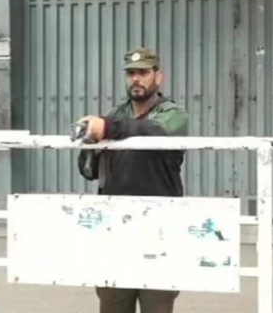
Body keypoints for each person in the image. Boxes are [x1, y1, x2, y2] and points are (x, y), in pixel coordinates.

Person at [76, 47, 189, 313]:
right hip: (115, 229)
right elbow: (89, 171)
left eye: (143, 73)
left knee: (157, 306)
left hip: (159, 229)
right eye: (131, 73)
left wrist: (107, 129)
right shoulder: (114, 114)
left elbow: (155, 131)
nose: (136, 79)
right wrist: (89, 141)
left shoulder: (173, 114)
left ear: (157, 77)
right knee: (113, 305)